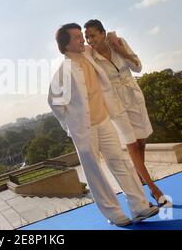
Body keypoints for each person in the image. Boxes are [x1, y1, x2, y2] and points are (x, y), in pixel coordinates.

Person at [48, 23, 159, 226]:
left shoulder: (89, 53)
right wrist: (71, 125)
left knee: (121, 163)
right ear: (65, 45)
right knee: (96, 174)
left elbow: (107, 36)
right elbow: (54, 103)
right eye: (77, 37)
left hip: (105, 121)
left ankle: (140, 206)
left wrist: (114, 38)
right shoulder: (64, 72)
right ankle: (114, 214)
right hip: (85, 129)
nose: (83, 39)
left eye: (82, 36)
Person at [84, 19, 169, 208]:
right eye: (87, 37)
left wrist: (122, 51)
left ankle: (139, 187)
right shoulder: (89, 54)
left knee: (141, 142)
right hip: (114, 103)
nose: (89, 40)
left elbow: (138, 67)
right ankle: (155, 190)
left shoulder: (119, 42)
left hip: (133, 96)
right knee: (131, 145)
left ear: (103, 33)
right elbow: (72, 49)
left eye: (92, 35)